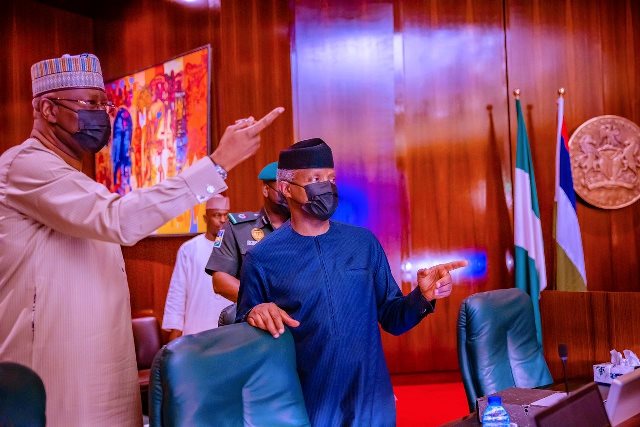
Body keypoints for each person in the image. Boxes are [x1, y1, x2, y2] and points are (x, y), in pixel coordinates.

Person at [0, 53, 283, 427]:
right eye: (90, 103)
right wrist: (216, 165)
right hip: (55, 365)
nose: (101, 114)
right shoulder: (26, 165)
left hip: (102, 360)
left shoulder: (75, 178)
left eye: (105, 104)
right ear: (48, 109)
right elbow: (120, 219)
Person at [236, 138, 467, 426]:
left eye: (331, 178)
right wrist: (253, 313)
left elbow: (393, 318)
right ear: (285, 189)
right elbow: (244, 335)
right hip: (309, 404)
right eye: (316, 178)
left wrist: (421, 296)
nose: (327, 186)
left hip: (371, 400)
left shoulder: (363, 243)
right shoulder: (262, 258)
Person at [205, 161, 290, 302]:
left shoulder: (306, 226)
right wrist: (264, 303)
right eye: (281, 187)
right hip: (258, 318)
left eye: (291, 188)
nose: (287, 194)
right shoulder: (239, 228)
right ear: (266, 190)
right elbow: (220, 281)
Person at [162, 195, 233, 341]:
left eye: (226, 215)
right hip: (197, 327)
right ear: (205, 218)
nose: (222, 220)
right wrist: (176, 328)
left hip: (229, 329)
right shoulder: (189, 249)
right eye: (217, 215)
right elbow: (178, 291)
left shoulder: (235, 248)